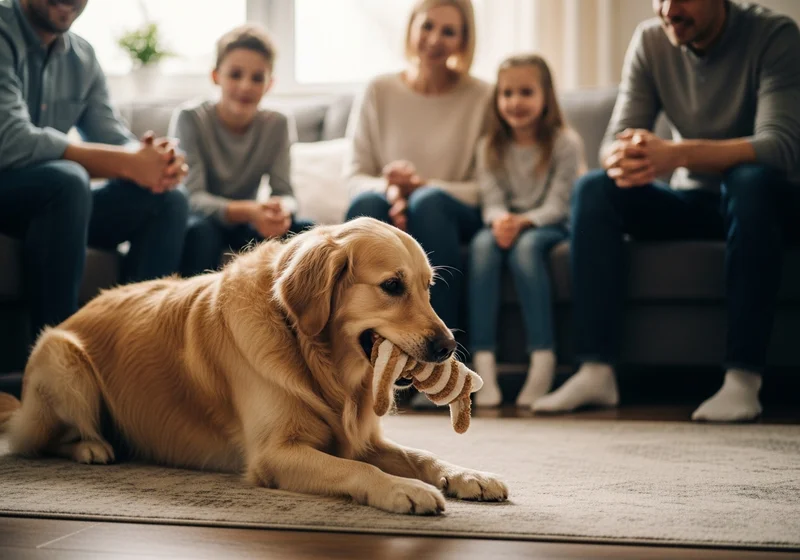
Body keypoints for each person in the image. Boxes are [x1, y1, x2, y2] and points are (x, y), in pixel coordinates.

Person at [532, 0, 800, 422]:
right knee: (595, 187)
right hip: (693, 200)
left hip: (765, 202)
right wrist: (628, 155)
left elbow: (779, 148)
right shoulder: (651, 40)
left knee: (748, 180)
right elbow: (612, 143)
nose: (668, 9)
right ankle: (596, 371)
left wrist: (676, 154)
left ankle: (743, 380)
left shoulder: (775, 35)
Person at [0, 0, 189, 344]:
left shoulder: (83, 56)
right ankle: (57, 359)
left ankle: (137, 352)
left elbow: (113, 137)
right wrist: (129, 163)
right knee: (67, 181)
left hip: (57, 207)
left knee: (168, 199)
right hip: (13, 190)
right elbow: (11, 140)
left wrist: (158, 163)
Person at [468, 54, 584, 408]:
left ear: (546, 96)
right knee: (482, 247)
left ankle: (543, 359)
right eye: (507, 93)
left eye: (526, 92)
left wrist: (523, 222)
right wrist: (501, 220)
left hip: (548, 225)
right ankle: (483, 365)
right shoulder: (489, 146)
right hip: (506, 223)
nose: (515, 102)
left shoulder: (565, 143)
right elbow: (490, 202)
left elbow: (559, 205)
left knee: (526, 249)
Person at [171, 24, 314, 277]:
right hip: (204, 220)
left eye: (257, 78)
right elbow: (192, 197)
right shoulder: (190, 118)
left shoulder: (278, 123)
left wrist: (281, 210)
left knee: (307, 232)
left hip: (249, 222)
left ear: (270, 84)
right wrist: (250, 211)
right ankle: (194, 302)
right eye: (235, 74)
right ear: (215, 76)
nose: (246, 86)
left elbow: (285, 192)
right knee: (200, 233)